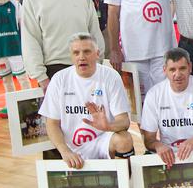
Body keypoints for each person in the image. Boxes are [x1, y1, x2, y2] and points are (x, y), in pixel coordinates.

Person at [40, 33, 134, 169]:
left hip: (102, 140)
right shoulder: (59, 79)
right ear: (71, 56)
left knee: (124, 140)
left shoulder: (110, 77)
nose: (81, 57)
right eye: (76, 53)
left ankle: (124, 182)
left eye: (87, 52)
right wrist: (65, 151)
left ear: (97, 54)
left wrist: (107, 126)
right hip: (70, 145)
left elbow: (124, 121)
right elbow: (52, 123)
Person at [22, 0, 104, 91]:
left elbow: (94, 31)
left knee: (92, 112)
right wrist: (41, 78)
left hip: (87, 66)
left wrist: (99, 62)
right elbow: (30, 40)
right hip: (53, 70)